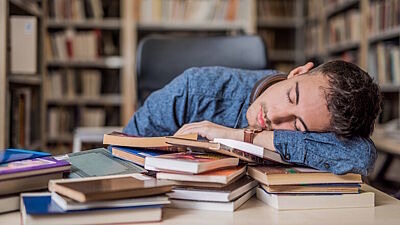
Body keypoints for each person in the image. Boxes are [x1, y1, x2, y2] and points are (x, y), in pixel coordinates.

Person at [123, 60, 382, 175]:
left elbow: (361, 155)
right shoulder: (195, 89)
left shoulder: (319, 123)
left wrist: (241, 137)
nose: (274, 117)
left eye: (297, 125)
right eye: (291, 96)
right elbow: (121, 153)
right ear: (299, 71)